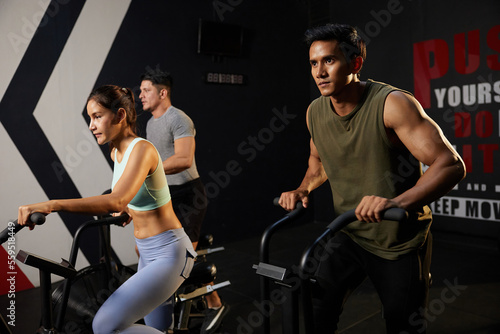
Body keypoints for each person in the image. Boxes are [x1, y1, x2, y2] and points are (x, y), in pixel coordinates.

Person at [278, 23, 466, 334]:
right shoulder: (315, 112)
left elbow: (449, 164)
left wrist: (395, 202)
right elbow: (319, 159)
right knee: (315, 311)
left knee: (402, 324)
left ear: (355, 64)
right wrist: (303, 188)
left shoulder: (392, 104)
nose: (319, 72)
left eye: (329, 60)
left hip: (398, 241)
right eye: (314, 63)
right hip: (349, 232)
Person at [18, 85, 196, 334]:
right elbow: (138, 194)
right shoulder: (116, 153)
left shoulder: (142, 149)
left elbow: (117, 199)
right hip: (147, 254)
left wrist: (51, 204)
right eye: (90, 118)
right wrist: (130, 210)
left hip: (170, 253)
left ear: (121, 115)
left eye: (97, 116)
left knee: (104, 326)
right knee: (157, 328)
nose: (91, 125)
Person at [139, 69, 229, 334]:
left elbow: (183, 159)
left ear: (162, 92)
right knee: (153, 254)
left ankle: (214, 302)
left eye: (146, 90)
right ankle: (201, 302)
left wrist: (148, 169)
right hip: (166, 196)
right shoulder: (150, 123)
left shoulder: (178, 119)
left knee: (181, 260)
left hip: (189, 195)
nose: (140, 95)